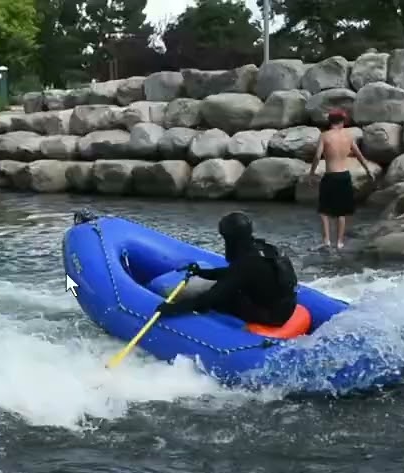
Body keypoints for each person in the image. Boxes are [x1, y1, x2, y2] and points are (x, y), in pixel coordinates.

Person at [156, 212, 299, 327]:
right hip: (286, 307)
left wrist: (174, 308)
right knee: (230, 289)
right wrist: (202, 273)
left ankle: (215, 328)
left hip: (272, 317)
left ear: (231, 239)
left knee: (221, 300)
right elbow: (236, 275)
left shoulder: (246, 263)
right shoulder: (264, 249)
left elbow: (210, 298)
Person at [310, 109, 374, 250]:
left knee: (324, 211)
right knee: (341, 212)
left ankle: (327, 240)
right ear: (342, 121)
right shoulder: (348, 136)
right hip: (344, 176)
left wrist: (312, 173)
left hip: (330, 176)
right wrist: (368, 170)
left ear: (330, 121)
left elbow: (317, 156)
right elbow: (359, 155)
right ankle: (339, 242)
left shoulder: (325, 136)